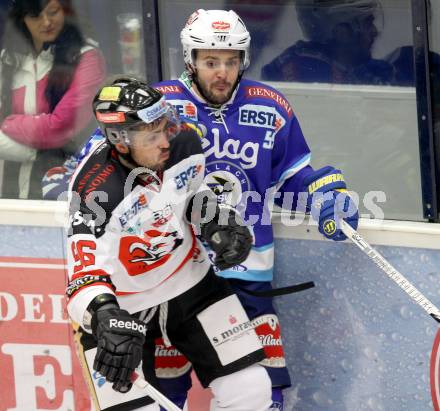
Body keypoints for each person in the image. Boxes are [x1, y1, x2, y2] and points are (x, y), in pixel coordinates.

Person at [153, 8, 360, 411]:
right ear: (190, 59)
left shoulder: (270, 107)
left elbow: (288, 179)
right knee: (162, 389)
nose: (222, 73)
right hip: (172, 277)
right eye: (211, 61)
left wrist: (322, 196)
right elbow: (113, 162)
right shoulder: (159, 108)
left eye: (231, 62)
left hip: (245, 274)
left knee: (263, 391)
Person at [65, 76, 273, 411]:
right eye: (152, 135)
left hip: (189, 282)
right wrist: (104, 317)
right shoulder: (95, 192)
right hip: (124, 308)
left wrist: (217, 220)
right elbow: (82, 277)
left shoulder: (184, 143)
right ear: (120, 142)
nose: (165, 141)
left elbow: (188, 195)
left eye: (165, 127)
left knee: (250, 390)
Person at [0, 0, 106, 199]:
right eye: (36, 16)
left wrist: (7, 123)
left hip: (64, 187)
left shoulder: (87, 57)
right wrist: (39, 151)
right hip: (8, 189)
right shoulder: (8, 58)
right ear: (22, 20)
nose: (46, 22)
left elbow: (60, 127)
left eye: (53, 12)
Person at [261, 0, 393, 85]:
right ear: (342, 32)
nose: (374, 31)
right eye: (367, 23)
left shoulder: (351, 67)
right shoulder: (309, 69)